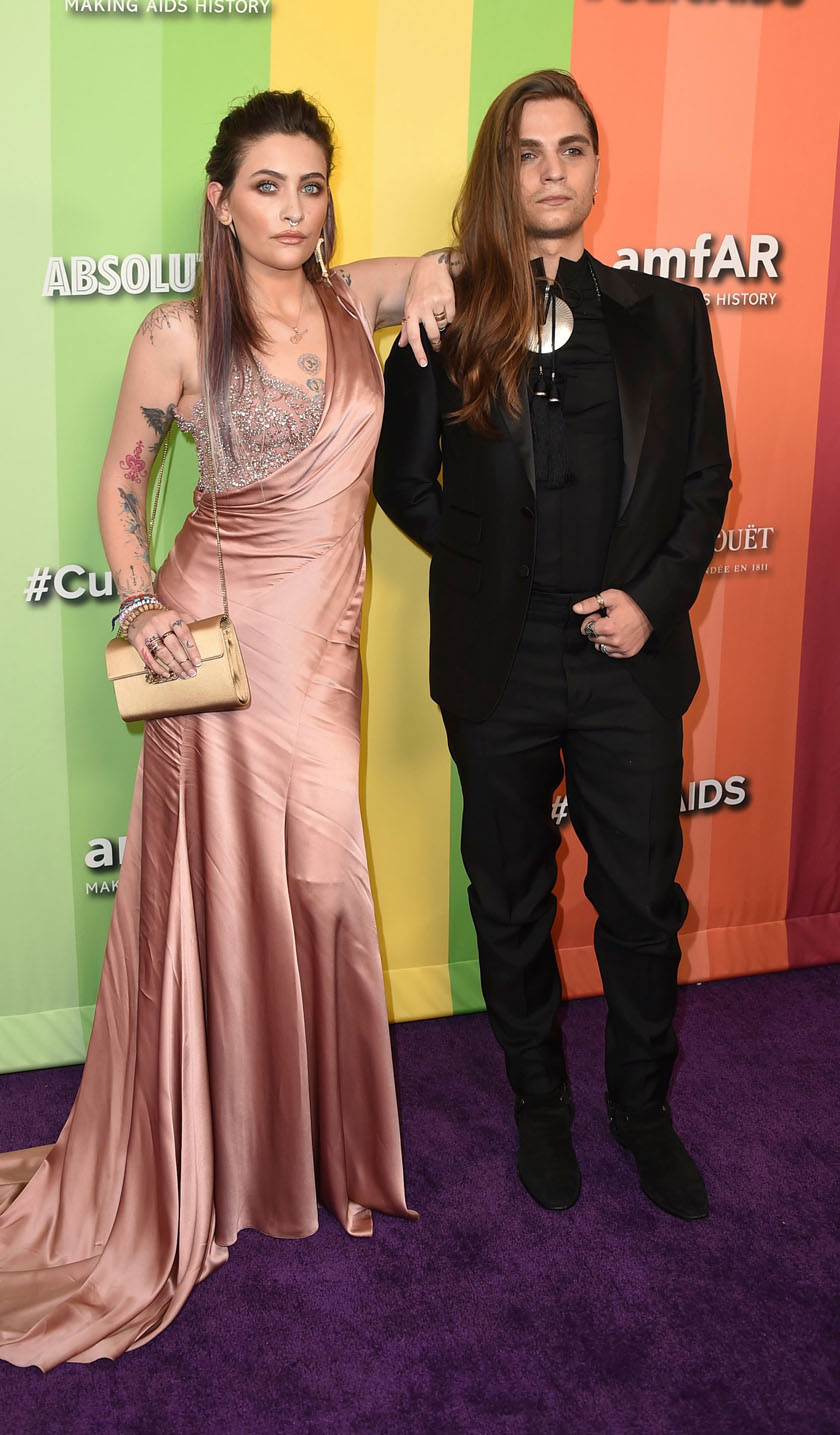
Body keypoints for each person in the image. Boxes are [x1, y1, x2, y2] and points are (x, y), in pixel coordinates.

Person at [0, 89, 454, 1368]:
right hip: (218, 650)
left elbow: (436, 267)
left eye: (311, 185)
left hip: (322, 659)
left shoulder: (356, 299)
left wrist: (443, 271)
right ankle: (207, 1148)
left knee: (319, 889)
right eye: (267, 187)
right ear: (219, 199)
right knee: (214, 910)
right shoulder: (179, 335)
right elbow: (123, 481)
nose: (292, 210)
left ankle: (298, 1144)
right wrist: (138, 604)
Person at [374, 70, 731, 1221]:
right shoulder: (448, 313)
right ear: (500, 171)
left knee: (638, 900)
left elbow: (701, 480)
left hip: (629, 656)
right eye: (527, 154)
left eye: (570, 150)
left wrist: (652, 597)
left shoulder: (666, 315)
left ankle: (640, 1111)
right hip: (500, 664)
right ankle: (541, 1105)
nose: (551, 173)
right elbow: (400, 479)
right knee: (512, 899)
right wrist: (489, 577)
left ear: (594, 166)